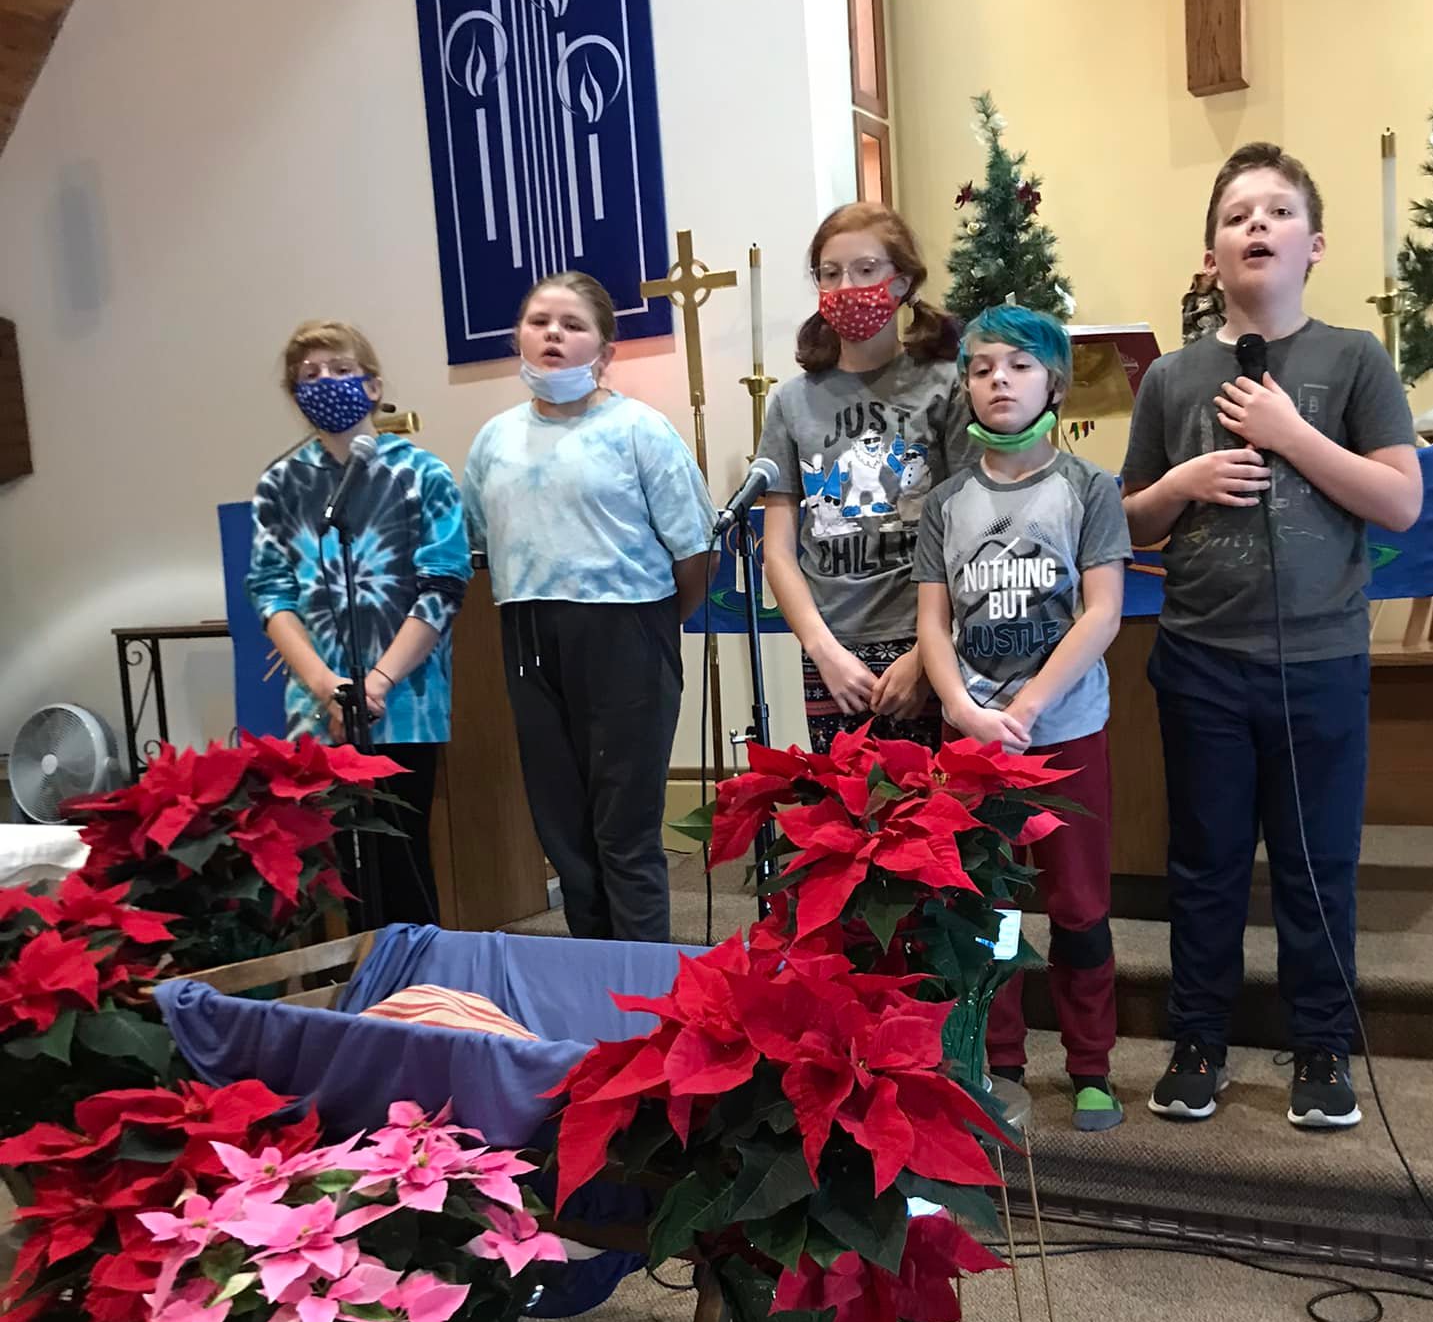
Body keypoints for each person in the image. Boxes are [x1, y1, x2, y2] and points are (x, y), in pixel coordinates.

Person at [1122, 142, 1421, 1130]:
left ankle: (1322, 1047)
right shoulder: (1172, 378)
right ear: (1210, 254)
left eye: (1279, 212)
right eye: (1238, 214)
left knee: (1314, 862)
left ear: (1314, 244)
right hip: (1203, 658)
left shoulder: (1354, 360)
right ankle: (1199, 1039)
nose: (1258, 225)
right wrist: (1182, 485)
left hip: (1320, 660)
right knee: (1204, 864)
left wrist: (1293, 434)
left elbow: (1402, 500)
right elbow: (1128, 521)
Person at [916, 306, 1130, 1132]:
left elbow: (1102, 609)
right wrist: (965, 710)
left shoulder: (1087, 490)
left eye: (1018, 365)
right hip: (972, 744)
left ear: (1054, 382)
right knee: (986, 908)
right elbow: (933, 623)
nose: (998, 380)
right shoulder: (945, 504)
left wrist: (1031, 703)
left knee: (1078, 906)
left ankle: (1091, 1067)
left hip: (1065, 731)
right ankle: (999, 1060)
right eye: (981, 367)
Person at [461, 270, 716, 943]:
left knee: (623, 829)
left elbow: (693, 555)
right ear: (518, 334)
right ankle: (591, 988)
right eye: (540, 320)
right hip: (527, 637)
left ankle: (645, 1001)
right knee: (565, 833)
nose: (553, 334)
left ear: (604, 351)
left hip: (628, 631)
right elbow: (480, 545)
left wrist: (654, 627)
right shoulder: (494, 442)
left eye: (573, 325)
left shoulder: (640, 431)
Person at [247, 320, 469, 926]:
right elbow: (270, 592)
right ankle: (352, 998)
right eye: (309, 376)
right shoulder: (281, 483)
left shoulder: (421, 474)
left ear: (372, 386)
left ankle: (418, 996)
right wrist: (325, 685)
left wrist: (376, 682)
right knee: (333, 869)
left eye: (340, 370)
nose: (325, 383)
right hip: (316, 702)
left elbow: (444, 585)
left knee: (399, 854)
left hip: (404, 698)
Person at [759, 203, 971, 754]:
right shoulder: (790, 402)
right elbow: (778, 548)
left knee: (937, 826)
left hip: (926, 640)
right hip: (833, 647)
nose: (846, 286)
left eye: (865, 270)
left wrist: (928, 653)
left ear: (901, 281)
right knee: (846, 825)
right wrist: (823, 651)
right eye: (830, 274)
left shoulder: (945, 384)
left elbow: (969, 531)